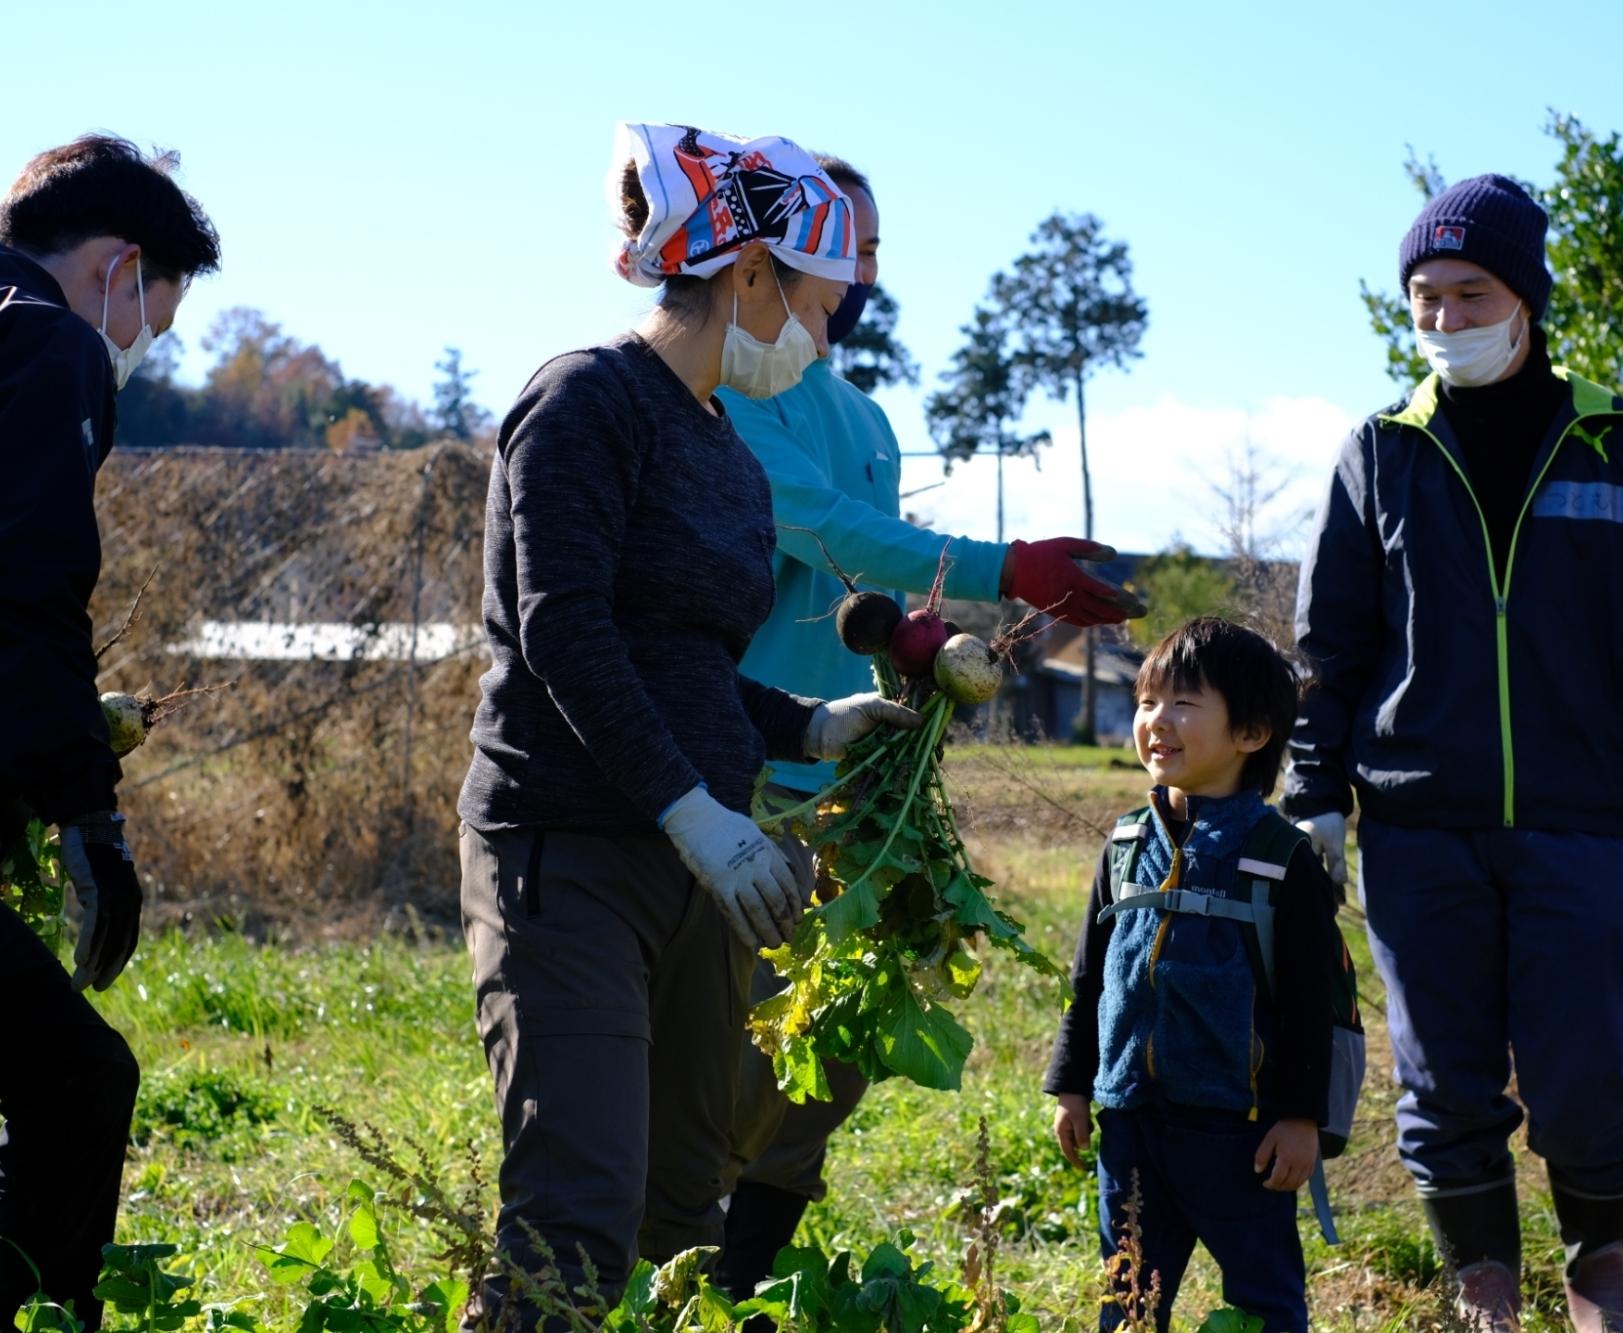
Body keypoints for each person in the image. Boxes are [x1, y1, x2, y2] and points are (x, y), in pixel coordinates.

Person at [455, 123, 926, 1330]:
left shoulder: (727, 450)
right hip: (568, 851)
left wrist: (810, 726)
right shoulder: (583, 400)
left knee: (678, 1214)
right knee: (576, 1209)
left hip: (695, 865)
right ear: (749, 273)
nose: (822, 335)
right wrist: (691, 811)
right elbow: (566, 632)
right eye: (817, 305)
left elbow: (691, 664)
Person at [1283, 174, 1623, 1333]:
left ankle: (1597, 1273)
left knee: (1588, 1066)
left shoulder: (1618, 445)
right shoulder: (1379, 451)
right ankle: (1482, 1282)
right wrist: (1311, 789)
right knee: (1442, 1076)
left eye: (1468, 294)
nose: (1443, 319)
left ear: (1525, 299)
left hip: (1574, 817)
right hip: (1415, 823)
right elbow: (1328, 647)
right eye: (1424, 299)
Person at [714, 154, 1144, 1298]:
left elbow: (864, 571)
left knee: (835, 1048)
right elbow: (814, 523)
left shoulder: (863, 414)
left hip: (857, 784)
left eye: (870, 253)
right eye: (839, 252)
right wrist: (1005, 565)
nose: (856, 277)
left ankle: (744, 1279)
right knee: (736, 1047)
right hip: (747, 772)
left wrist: (918, 641)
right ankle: (683, 1260)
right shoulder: (730, 394)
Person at [0, 135, 220, 1332]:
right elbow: (12, 593)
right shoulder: (41, 340)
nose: (144, 342)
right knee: (75, 1076)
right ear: (120, 266)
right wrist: (80, 806)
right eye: (159, 313)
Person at [1044, 617, 1339, 1333]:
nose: (1156, 720)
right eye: (1148, 701)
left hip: (1239, 1134)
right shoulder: (1124, 843)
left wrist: (1301, 1117)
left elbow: (1311, 1003)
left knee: (1265, 1302)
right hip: (1130, 1121)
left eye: (1183, 703)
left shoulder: (1280, 857)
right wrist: (1071, 1084)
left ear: (1252, 733)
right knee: (1129, 1303)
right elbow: (1091, 979)